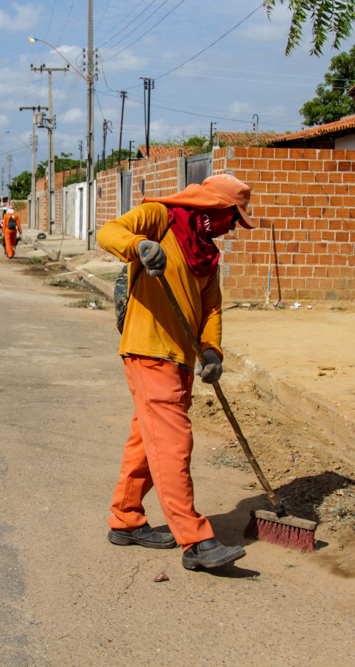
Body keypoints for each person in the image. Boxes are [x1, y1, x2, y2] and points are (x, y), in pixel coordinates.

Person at [96, 173, 256, 571]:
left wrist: (212, 352)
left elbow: (213, 309)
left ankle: (126, 518)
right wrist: (140, 246)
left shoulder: (207, 255)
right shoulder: (160, 218)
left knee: (146, 441)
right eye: (232, 217)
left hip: (181, 358)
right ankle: (196, 540)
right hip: (149, 350)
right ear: (213, 207)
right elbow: (109, 232)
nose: (233, 226)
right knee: (172, 444)